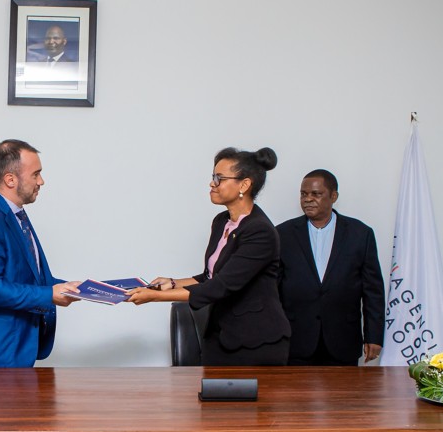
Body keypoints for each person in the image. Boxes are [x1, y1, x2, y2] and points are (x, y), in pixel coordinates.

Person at [126, 147, 291, 366]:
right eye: (213, 177)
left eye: (219, 178)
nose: (212, 184)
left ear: (244, 185)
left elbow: (220, 286)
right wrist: (172, 283)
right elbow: (210, 276)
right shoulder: (221, 221)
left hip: (255, 342)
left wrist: (152, 296)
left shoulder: (260, 231)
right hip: (220, 336)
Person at [0, 140, 80, 368]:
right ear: (10, 179)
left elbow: (32, 279)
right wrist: (49, 295)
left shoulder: (17, 216)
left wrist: (82, 289)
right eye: (36, 174)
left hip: (15, 352)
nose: (41, 181)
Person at [277, 169, 385, 365]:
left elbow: (373, 291)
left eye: (316, 194)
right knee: (295, 396)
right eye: (303, 194)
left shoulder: (360, 234)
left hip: (342, 341)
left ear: (333, 196)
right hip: (296, 341)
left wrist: (374, 336)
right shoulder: (283, 234)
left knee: (342, 395)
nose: (308, 199)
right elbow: (272, 289)